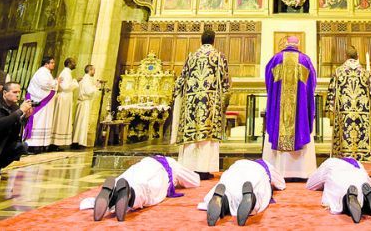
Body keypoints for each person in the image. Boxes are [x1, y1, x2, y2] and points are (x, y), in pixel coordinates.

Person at [175, 29, 230, 178]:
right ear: (213, 40)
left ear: (201, 40)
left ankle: (189, 167)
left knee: (192, 133)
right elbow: (224, 80)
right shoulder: (218, 56)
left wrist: (176, 94)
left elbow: (181, 79)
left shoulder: (191, 56)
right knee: (206, 134)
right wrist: (225, 99)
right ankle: (204, 169)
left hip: (191, 102)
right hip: (210, 101)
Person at [262, 35, 317, 179]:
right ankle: (300, 172)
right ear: (298, 45)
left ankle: (278, 171)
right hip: (299, 108)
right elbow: (311, 85)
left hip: (280, 109)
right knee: (300, 123)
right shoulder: (305, 60)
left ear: (286, 44)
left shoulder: (275, 59)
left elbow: (268, 83)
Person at [86, 155, 199, 222]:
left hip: (139, 167)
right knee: (146, 189)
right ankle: (130, 194)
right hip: (160, 171)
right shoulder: (173, 164)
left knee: (127, 179)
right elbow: (193, 181)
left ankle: (112, 191)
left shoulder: (147, 160)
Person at [327, 46, 371, 164]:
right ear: (357, 56)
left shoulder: (338, 71)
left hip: (344, 113)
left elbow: (331, 91)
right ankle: (363, 158)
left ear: (346, 56)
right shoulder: (365, 73)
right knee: (362, 136)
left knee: (344, 136)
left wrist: (330, 106)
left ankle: (344, 159)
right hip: (362, 113)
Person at [306, 157, 371, 223]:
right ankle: (366, 202)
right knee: (362, 191)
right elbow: (370, 184)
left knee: (337, 198)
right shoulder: (358, 164)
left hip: (340, 181)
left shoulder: (330, 162)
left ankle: (347, 201)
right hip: (361, 180)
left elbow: (311, 184)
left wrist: (323, 184)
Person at [200, 158, 285, 226]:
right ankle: (252, 198)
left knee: (228, 186)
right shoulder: (265, 164)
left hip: (235, 170)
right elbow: (281, 184)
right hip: (257, 170)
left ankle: (223, 200)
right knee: (259, 190)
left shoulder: (238, 162)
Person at [24, 56, 59, 151]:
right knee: (38, 121)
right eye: (51, 62)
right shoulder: (42, 72)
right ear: (46, 64)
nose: (53, 64)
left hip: (43, 100)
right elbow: (45, 84)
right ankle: (32, 145)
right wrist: (56, 82)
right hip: (39, 100)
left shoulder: (46, 72)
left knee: (42, 121)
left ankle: (40, 144)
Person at [52, 58, 78, 148]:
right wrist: (75, 82)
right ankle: (55, 143)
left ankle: (58, 143)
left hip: (66, 98)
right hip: (64, 98)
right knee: (61, 119)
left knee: (63, 119)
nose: (75, 64)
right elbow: (65, 87)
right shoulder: (66, 73)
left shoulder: (67, 72)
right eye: (73, 62)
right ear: (69, 63)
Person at [73, 64, 99, 148]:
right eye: (93, 70)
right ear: (90, 70)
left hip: (81, 102)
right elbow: (88, 91)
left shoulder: (84, 79)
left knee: (79, 122)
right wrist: (96, 86)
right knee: (82, 122)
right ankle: (79, 142)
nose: (94, 72)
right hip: (84, 103)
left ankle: (76, 141)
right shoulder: (86, 80)